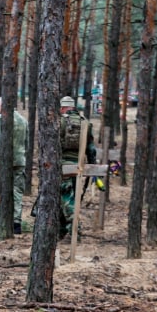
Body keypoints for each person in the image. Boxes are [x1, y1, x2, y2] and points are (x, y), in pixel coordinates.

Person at [0, 98, 28, 233]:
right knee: (17, 191)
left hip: (2, 161)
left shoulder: (1, 120)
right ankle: (16, 222)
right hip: (19, 161)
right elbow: (25, 142)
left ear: (1, 106)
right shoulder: (23, 121)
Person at [57, 96, 96, 238]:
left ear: (62, 108)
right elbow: (91, 149)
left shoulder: (60, 121)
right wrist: (91, 166)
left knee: (66, 198)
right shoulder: (85, 122)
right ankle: (61, 231)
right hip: (78, 166)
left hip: (62, 166)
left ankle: (75, 227)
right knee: (70, 198)